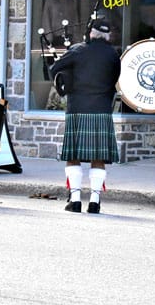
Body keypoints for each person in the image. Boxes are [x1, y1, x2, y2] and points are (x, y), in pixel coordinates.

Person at [49, 18, 121, 214]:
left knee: (73, 156)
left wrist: (67, 80)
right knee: (99, 157)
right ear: (107, 36)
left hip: (78, 108)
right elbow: (115, 79)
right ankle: (95, 202)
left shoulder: (78, 50)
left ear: (91, 33)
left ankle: (75, 201)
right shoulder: (113, 55)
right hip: (102, 109)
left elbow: (54, 68)